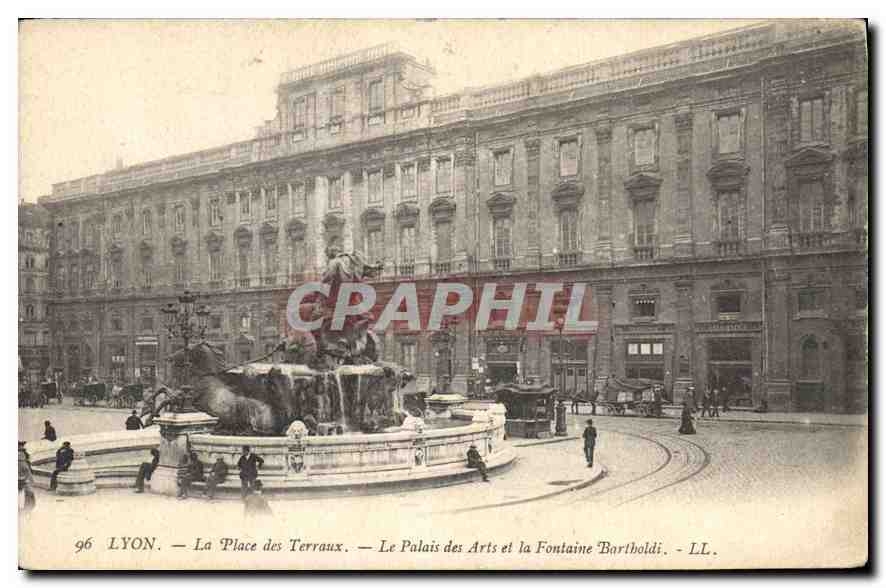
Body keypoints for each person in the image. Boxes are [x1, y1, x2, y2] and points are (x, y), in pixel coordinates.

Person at [18, 441, 36, 512]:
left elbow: (27, 468)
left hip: (25, 478)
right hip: (23, 478)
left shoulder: (25, 455)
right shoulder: (22, 456)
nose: (22, 448)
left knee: (29, 493)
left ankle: (27, 508)